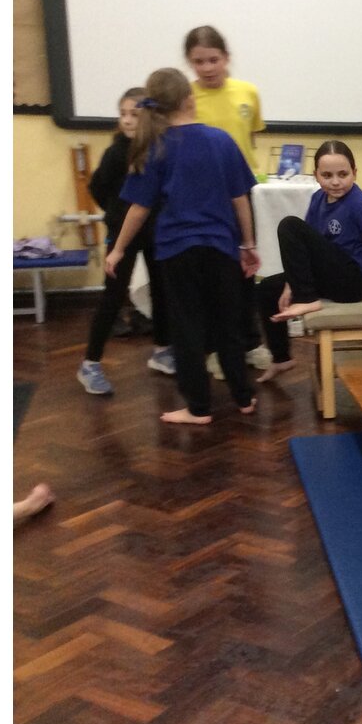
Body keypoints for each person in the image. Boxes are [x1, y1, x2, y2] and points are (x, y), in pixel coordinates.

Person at [106, 68, 262, 425]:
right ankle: (243, 397)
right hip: (221, 248)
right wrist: (248, 244)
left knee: (187, 328)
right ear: (190, 100)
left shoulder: (154, 147)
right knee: (228, 323)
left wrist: (117, 249)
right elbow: (240, 199)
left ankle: (198, 408)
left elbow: (139, 209)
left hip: (177, 252)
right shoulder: (221, 140)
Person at [255, 141, 362, 383]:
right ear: (316, 175)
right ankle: (281, 357)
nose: (336, 182)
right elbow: (304, 249)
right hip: (331, 276)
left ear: (354, 173)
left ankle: (308, 300)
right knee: (267, 289)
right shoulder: (318, 199)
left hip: (354, 282)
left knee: (289, 225)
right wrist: (290, 284)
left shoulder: (360, 204)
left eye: (343, 174)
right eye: (327, 175)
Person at [77, 86, 175, 396]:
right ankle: (90, 363)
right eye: (122, 114)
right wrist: (117, 213)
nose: (128, 120)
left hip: (155, 231)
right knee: (113, 294)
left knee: (162, 290)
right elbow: (97, 187)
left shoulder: (159, 149)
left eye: (134, 114)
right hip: (123, 233)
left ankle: (162, 350)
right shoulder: (116, 152)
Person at [184, 25, 271, 373]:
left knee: (245, 267)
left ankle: (249, 342)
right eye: (199, 61)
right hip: (202, 197)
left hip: (241, 193)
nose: (207, 68)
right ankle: (215, 349)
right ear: (189, 63)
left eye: (213, 59)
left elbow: (249, 138)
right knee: (211, 275)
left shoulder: (248, 92)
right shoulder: (186, 98)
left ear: (226, 58)